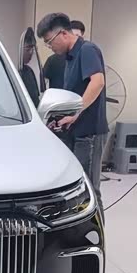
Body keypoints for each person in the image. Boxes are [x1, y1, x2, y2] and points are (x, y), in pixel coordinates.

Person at [36, 11, 108, 214]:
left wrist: (76, 112)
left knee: (90, 190)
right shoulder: (69, 58)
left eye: (50, 42)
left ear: (63, 34)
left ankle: (96, 231)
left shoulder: (87, 50)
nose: (50, 47)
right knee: (76, 189)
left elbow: (98, 82)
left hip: (90, 132)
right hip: (77, 131)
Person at [20, 39, 40, 106]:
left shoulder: (29, 71)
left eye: (33, 49)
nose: (31, 53)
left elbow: (35, 99)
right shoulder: (13, 72)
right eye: (28, 49)